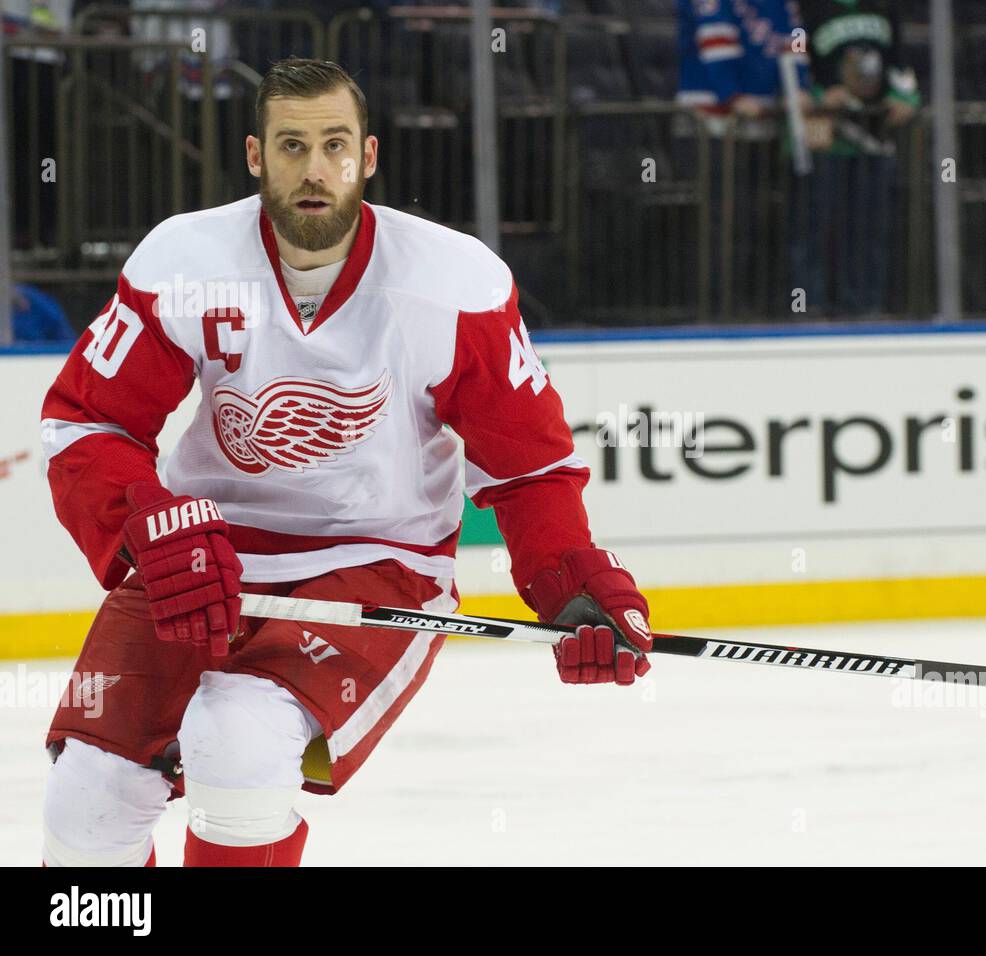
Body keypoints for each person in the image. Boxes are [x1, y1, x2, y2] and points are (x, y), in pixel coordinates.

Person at [38, 58, 653, 868]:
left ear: (368, 157)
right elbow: (87, 423)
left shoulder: (452, 284)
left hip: (376, 561)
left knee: (239, 747)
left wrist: (570, 578)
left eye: (334, 145)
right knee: (85, 806)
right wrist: (146, 522)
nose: (314, 168)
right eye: (292, 147)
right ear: (256, 157)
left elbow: (526, 468)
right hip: (200, 555)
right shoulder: (182, 261)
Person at [791, 0, 921, 317]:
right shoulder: (806, 10)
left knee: (869, 225)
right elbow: (793, 56)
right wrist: (815, 95)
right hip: (823, 127)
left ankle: (865, 304)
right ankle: (809, 305)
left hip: (874, 130)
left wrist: (906, 98)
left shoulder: (885, 8)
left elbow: (900, 63)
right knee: (815, 222)